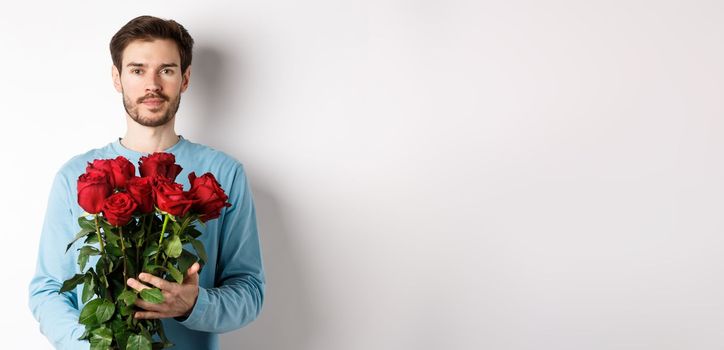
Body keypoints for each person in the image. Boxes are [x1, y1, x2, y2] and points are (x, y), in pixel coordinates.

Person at [28, 15, 265, 349]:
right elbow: (48, 290)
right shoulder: (76, 176)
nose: (152, 84)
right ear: (117, 77)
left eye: (166, 70)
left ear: (185, 79)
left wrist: (193, 305)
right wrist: (91, 345)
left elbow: (250, 291)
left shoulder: (223, 174)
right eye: (137, 70)